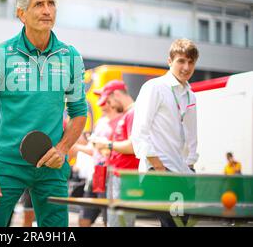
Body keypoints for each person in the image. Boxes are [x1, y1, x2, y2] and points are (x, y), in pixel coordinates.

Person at [0, 0, 87, 227]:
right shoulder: (0, 54)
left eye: (51, 4)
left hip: (52, 165)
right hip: (7, 165)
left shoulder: (70, 56)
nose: (47, 10)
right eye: (39, 4)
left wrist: (62, 149)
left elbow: (79, 112)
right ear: (21, 14)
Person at [131, 38, 199, 227]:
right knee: (173, 225)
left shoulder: (190, 94)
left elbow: (191, 135)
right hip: (160, 171)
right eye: (181, 61)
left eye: (191, 62)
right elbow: (139, 132)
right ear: (170, 61)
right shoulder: (154, 87)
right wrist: (158, 168)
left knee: (182, 225)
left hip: (184, 174)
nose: (186, 67)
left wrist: (191, 166)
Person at [90, 80, 139, 227]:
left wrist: (107, 144)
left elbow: (133, 146)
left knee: (120, 222)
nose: (109, 105)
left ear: (117, 94)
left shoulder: (133, 112)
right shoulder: (127, 114)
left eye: (109, 101)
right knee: (114, 222)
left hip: (126, 177)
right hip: (118, 175)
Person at [75, 98, 122, 227]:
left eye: (104, 99)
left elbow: (111, 149)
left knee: (108, 220)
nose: (100, 102)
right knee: (84, 219)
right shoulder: (101, 121)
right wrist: (75, 147)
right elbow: (92, 148)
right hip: (95, 173)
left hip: (109, 175)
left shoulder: (120, 121)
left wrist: (105, 148)